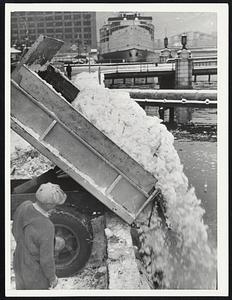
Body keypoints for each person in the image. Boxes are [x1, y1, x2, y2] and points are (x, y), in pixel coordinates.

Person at [12, 182, 67, 290]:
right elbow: (46, 260)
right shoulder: (47, 226)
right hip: (33, 270)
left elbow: (14, 229)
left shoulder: (24, 205)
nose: (55, 206)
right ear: (49, 205)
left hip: (18, 258)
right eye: (55, 204)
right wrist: (52, 278)